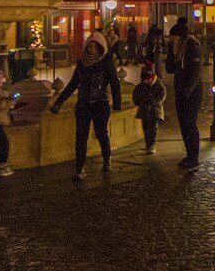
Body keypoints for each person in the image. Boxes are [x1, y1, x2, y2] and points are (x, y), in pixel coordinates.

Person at [51, 31, 122, 180]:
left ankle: (107, 159)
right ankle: (79, 168)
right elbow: (73, 84)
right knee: (81, 137)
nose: (92, 49)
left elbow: (115, 83)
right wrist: (59, 102)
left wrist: (117, 103)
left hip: (100, 103)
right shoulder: (82, 62)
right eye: (89, 46)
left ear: (101, 48)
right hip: (83, 103)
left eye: (95, 47)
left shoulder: (106, 62)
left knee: (101, 133)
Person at [167, 27, 203, 169]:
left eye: (173, 38)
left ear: (180, 37)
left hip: (191, 91)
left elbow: (195, 72)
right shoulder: (177, 49)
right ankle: (189, 155)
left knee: (190, 123)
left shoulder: (192, 47)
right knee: (183, 124)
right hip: (180, 90)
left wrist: (187, 92)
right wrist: (171, 51)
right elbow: (169, 69)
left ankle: (194, 157)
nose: (171, 41)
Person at [132, 62, 166, 154]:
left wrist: (152, 100)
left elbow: (162, 96)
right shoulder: (140, 86)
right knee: (145, 127)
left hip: (154, 111)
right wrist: (138, 101)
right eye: (144, 80)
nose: (145, 82)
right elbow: (135, 96)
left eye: (147, 80)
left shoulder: (158, 85)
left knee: (153, 128)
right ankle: (148, 144)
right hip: (144, 110)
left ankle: (152, 144)